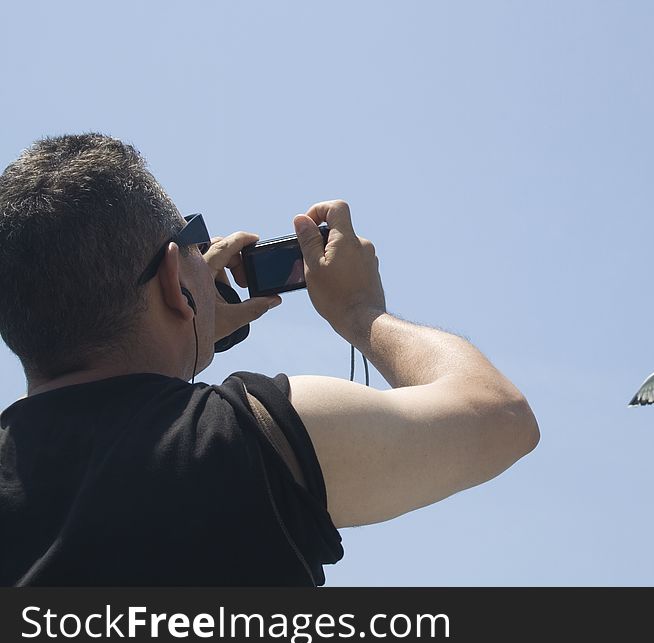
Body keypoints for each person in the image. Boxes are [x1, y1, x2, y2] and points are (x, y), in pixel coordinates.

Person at [0, 133, 539, 585]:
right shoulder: (256, 433)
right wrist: (360, 311)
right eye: (193, 238)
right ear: (170, 277)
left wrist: (188, 326)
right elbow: (500, 416)